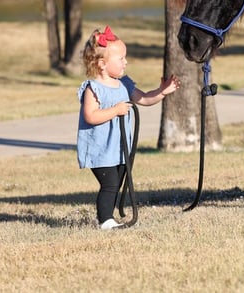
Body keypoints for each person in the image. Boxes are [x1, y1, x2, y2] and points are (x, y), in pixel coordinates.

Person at [77, 25, 180, 229]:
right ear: (102, 64)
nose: (126, 62)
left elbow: (144, 99)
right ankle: (105, 220)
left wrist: (162, 91)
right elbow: (90, 116)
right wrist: (115, 110)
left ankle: (110, 216)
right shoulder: (94, 88)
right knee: (110, 184)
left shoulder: (124, 83)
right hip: (100, 148)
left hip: (120, 146)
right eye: (121, 58)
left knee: (117, 181)